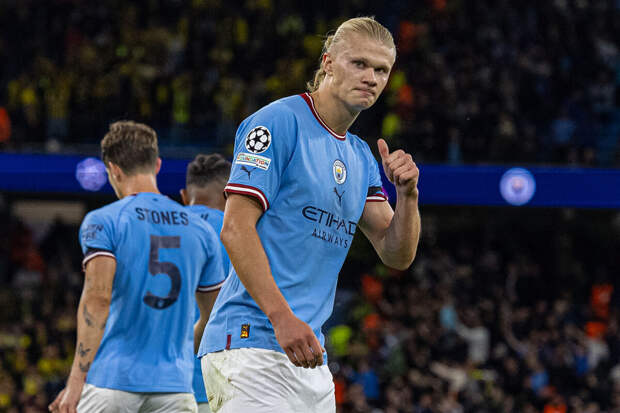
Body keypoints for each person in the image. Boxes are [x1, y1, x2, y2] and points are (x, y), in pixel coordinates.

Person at [199, 16, 421, 412]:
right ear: (328, 62)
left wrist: (408, 196)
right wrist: (281, 317)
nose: (371, 78)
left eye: (381, 70)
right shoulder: (277, 122)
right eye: (359, 63)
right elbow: (234, 229)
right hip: (250, 343)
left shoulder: (361, 155)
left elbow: (396, 254)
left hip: (309, 357)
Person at [49, 121, 226, 413]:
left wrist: (76, 382)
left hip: (112, 383)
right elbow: (212, 316)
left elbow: (97, 299)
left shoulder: (104, 221)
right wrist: (179, 352)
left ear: (113, 170)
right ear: (157, 165)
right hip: (176, 388)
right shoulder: (200, 230)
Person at [180, 153, 232, 413]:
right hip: (216, 385)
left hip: (155, 384)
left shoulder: (156, 228)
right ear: (229, 195)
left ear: (184, 195)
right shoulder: (240, 233)